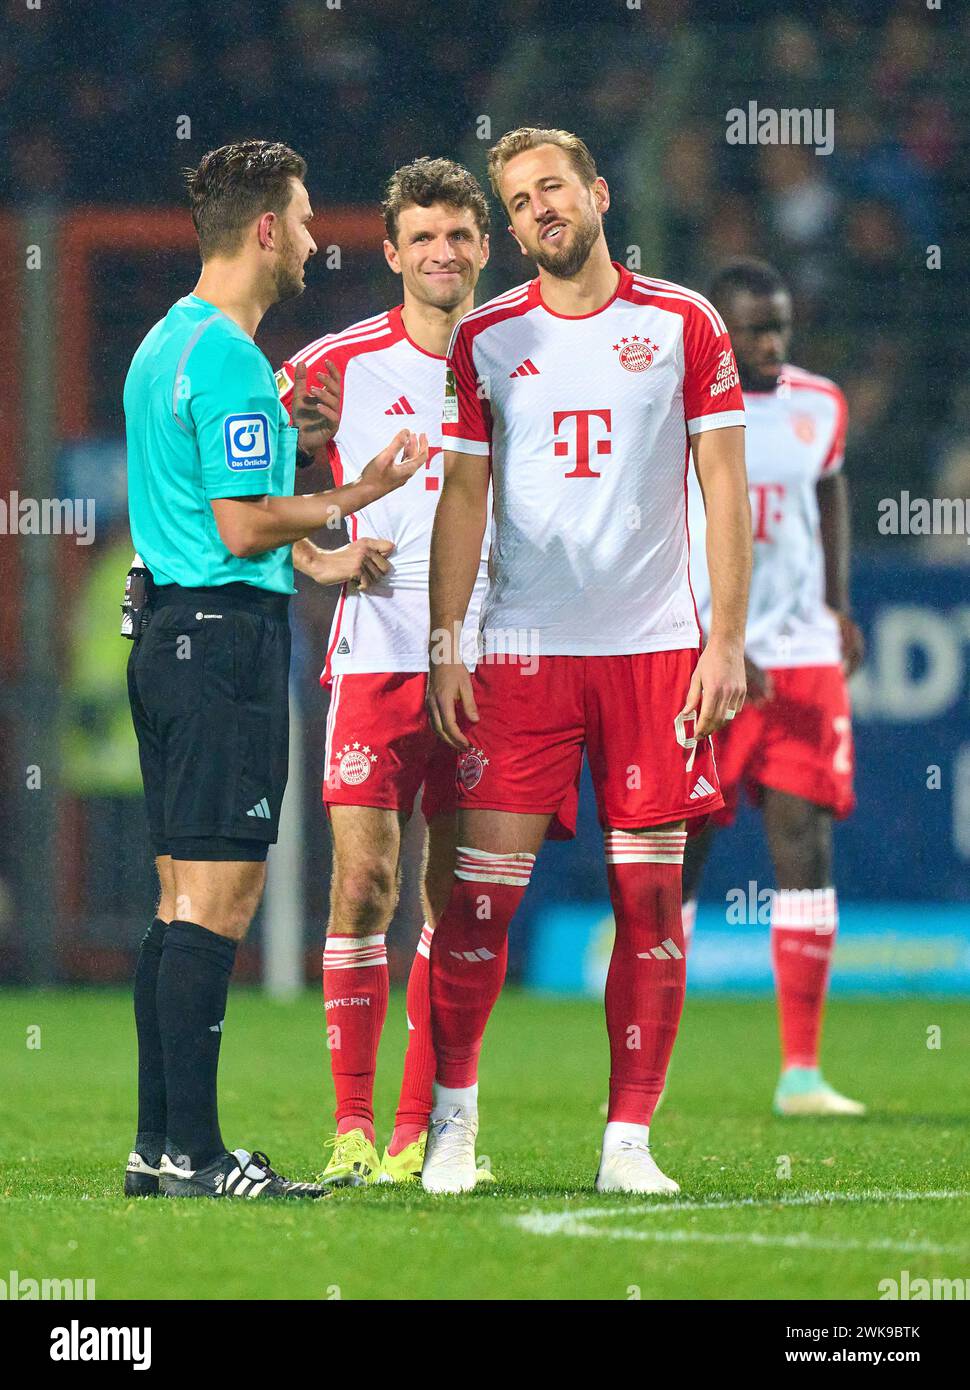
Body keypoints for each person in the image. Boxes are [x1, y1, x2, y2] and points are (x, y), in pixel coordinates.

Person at [423, 127, 751, 1195]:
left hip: (655, 653)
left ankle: (627, 1144)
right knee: (477, 901)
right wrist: (447, 639)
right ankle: (453, 1121)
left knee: (650, 905)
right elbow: (461, 497)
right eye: (516, 202)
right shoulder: (487, 338)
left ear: (599, 192)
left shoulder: (683, 323)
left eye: (550, 188)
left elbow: (723, 490)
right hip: (521, 654)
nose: (536, 211)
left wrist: (726, 640)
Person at [123, 140, 426, 1200]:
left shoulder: (166, 342)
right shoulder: (236, 361)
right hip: (222, 649)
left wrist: (317, 532)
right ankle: (199, 1154)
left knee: (174, 902)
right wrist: (358, 489)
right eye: (298, 221)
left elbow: (218, 506)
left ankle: (158, 1146)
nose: (310, 239)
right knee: (218, 902)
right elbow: (243, 525)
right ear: (263, 230)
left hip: (167, 636)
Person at [277, 157, 494, 1185]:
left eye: (459, 235)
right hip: (375, 662)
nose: (442, 254)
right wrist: (320, 558)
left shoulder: (522, 360)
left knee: (454, 904)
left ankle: (424, 1132)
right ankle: (353, 1128)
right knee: (362, 884)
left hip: (496, 665)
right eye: (424, 237)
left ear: (482, 247)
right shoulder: (332, 366)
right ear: (393, 250)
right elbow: (237, 483)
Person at [683, 257, 866, 1117]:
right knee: (678, 856)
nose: (770, 342)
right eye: (754, 326)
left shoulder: (817, 404)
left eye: (780, 325)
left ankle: (801, 1071)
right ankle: (652, 1054)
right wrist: (716, 635)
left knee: (805, 847)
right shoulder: (677, 406)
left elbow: (829, 494)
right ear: (717, 326)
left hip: (799, 657)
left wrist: (837, 607)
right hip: (703, 662)